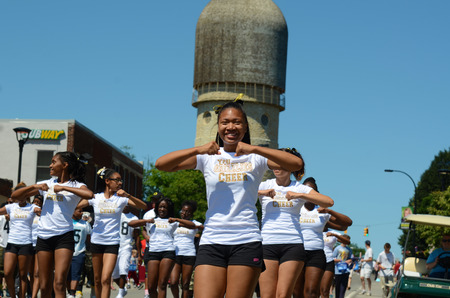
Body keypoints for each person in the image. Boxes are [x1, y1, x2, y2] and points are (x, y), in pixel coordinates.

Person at [155, 98, 304, 298]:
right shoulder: (208, 157)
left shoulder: (256, 158)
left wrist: (254, 149)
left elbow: (296, 164)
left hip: (246, 240)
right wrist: (197, 149)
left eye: (236, 122)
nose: (230, 127)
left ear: (245, 127)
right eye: (225, 122)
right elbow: (161, 164)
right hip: (212, 240)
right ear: (218, 126)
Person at [11, 151, 94, 298]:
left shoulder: (77, 185)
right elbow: (15, 196)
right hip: (43, 237)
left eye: (53, 162)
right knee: (44, 285)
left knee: (60, 282)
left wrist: (63, 188)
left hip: (64, 236)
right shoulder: (47, 183)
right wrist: (35, 186)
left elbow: (89, 195)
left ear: (65, 165)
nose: (50, 165)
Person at [257, 152, 334, 298]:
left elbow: (329, 202)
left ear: (292, 167)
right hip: (267, 243)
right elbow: (239, 193)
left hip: (292, 244)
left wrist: (300, 196)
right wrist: (261, 192)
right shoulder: (265, 184)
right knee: (267, 295)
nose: (277, 167)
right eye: (275, 162)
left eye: (282, 163)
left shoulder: (298, 187)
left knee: (283, 294)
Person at [76, 167, 147, 298]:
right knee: (97, 280)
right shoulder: (95, 198)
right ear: (107, 181)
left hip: (112, 242)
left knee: (105, 278)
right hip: (96, 241)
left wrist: (128, 195)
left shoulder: (121, 199)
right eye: (117, 180)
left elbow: (143, 206)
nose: (120, 183)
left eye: (121, 180)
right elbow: (76, 206)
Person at [294, 177, 352, 298]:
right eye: (306, 190)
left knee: (311, 292)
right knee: (297, 292)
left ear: (317, 194)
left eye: (312, 191)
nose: (309, 193)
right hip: (297, 252)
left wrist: (329, 211)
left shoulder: (321, 212)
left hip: (316, 254)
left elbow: (347, 223)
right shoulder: (295, 209)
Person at [0, 183, 40, 298]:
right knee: (7, 273)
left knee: (23, 275)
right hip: (11, 243)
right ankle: (13, 296)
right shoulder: (11, 207)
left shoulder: (32, 207)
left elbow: (42, 212)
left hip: (26, 244)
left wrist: (39, 211)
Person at [169, 201, 203, 298]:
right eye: (183, 210)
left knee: (185, 284)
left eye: (187, 211)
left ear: (191, 214)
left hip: (189, 254)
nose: (184, 213)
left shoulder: (195, 223)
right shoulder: (174, 223)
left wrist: (190, 226)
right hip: (175, 254)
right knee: (173, 282)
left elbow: (202, 227)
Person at [112, 206, 140, 298]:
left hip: (126, 246)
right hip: (114, 245)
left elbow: (137, 236)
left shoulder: (134, 218)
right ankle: (123, 289)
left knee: (123, 269)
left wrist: (139, 254)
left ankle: (120, 294)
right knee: (114, 274)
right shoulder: (116, 214)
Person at [67, 208, 92, 298]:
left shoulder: (85, 224)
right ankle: (69, 291)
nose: (81, 213)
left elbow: (89, 238)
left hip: (79, 251)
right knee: (67, 275)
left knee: (76, 274)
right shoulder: (67, 221)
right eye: (79, 211)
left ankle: (72, 293)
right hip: (66, 252)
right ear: (73, 211)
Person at [320, 230, 350, 298]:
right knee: (313, 290)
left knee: (325, 290)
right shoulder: (312, 227)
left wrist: (334, 235)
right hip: (315, 260)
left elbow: (347, 241)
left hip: (328, 260)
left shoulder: (333, 232)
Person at [30, 195, 43, 298]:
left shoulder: (43, 214)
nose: (36, 204)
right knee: (29, 273)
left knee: (37, 273)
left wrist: (40, 212)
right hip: (28, 244)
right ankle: (30, 293)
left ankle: (34, 296)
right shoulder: (29, 214)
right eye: (34, 201)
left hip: (39, 245)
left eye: (38, 202)